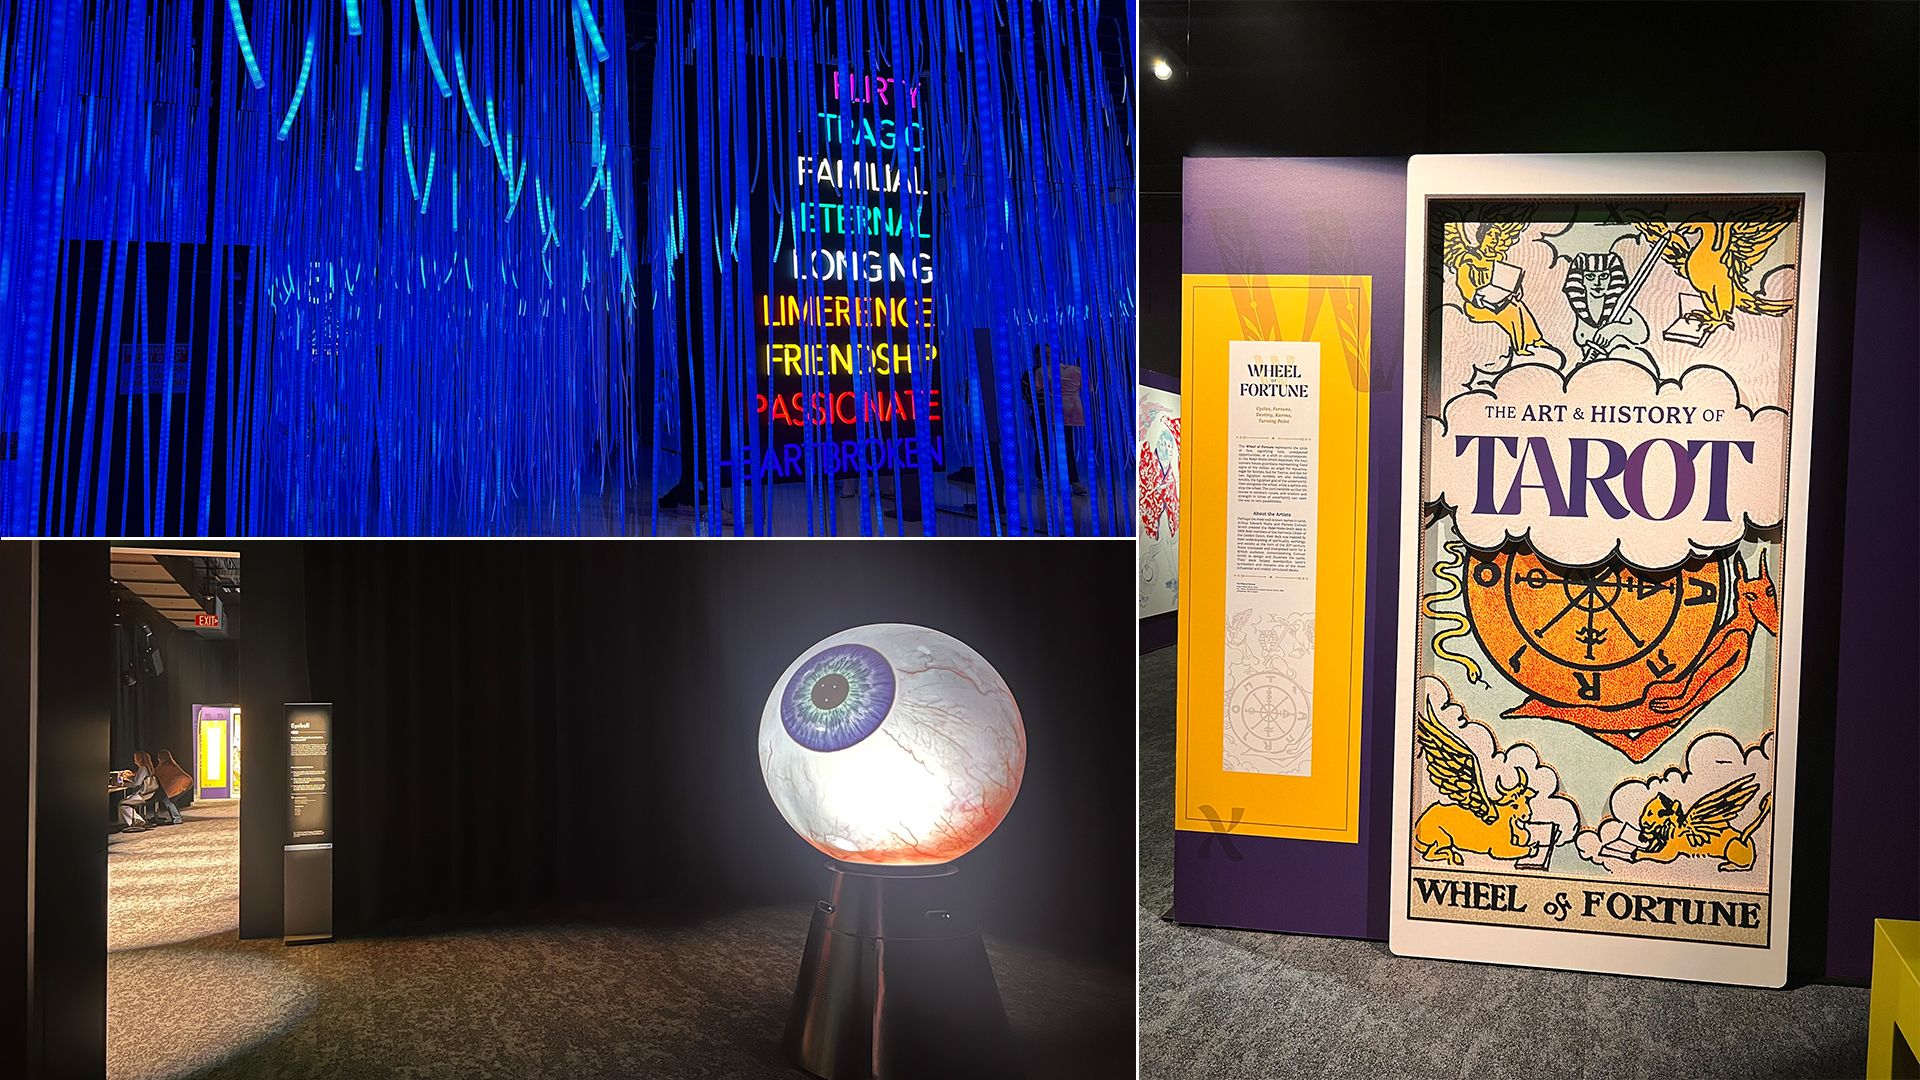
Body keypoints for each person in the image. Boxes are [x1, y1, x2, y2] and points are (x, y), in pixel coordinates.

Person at [117, 752, 159, 831]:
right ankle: (131, 822)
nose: (134, 760)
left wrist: (124, 783)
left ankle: (138, 822)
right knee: (124, 802)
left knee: (123, 804)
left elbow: (136, 784)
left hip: (144, 795)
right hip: (149, 793)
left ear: (140, 759)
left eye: (135, 758)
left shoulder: (142, 768)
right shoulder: (148, 768)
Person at [152, 749, 192, 825]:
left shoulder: (164, 767)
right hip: (186, 782)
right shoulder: (172, 764)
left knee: (168, 800)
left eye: (158, 757)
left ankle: (177, 819)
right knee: (170, 799)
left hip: (181, 783)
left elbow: (153, 772)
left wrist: (132, 774)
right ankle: (175, 818)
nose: (157, 759)